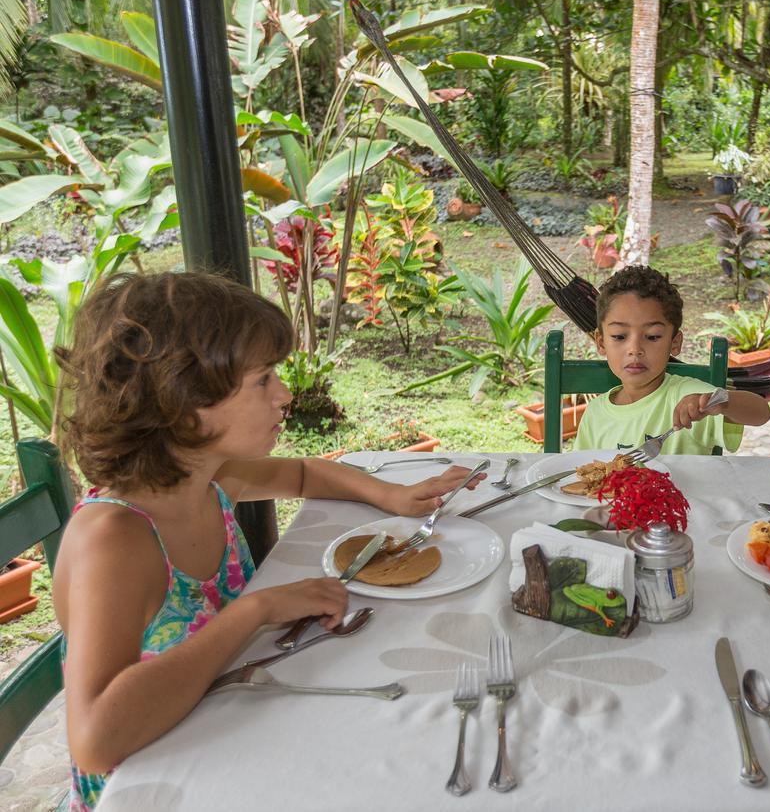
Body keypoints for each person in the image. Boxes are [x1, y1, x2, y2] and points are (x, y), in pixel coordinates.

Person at [51, 272, 484, 810]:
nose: (284, 394)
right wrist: (253, 611)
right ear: (183, 401)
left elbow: (304, 473)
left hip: (221, 722)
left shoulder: (209, 475)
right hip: (159, 781)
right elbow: (95, 740)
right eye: (262, 380)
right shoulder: (115, 539)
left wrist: (393, 497)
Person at [573, 265, 770, 455]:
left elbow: (761, 413)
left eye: (652, 336)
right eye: (619, 336)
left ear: (674, 343)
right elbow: (583, 471)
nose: (635, 350)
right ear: (601, 342)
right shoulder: (595, 413)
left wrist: (724, 402)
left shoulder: (689, 397)